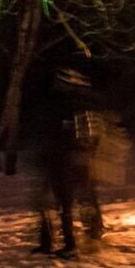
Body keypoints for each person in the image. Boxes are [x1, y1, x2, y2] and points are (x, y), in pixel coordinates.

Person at [34, 64, 103, 255]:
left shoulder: (78, 106)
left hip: (70, 160)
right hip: (56, 159)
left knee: (68, 202)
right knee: (50, 202)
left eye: (60, 82)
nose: (56, 85)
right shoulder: (57, 104)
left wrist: (80, 154)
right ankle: (47, 243)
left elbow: (87, 136)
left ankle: (73, 243)